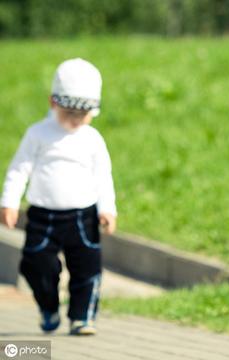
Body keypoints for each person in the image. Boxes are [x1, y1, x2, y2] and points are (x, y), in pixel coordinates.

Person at [0, 58, 117, 336]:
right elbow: (19, 169)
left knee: (87, 269)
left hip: (83, 217)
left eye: (83, 114)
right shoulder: (38, 135)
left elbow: (103, 175)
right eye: (69, 113)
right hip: (44, 216)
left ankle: (82, 318)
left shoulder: (92, 139)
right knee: (36, 265)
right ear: (53, 102)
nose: (76, 121)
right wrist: (9, 201)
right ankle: (48, 306)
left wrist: (107, 209)